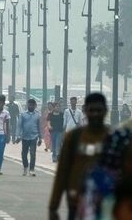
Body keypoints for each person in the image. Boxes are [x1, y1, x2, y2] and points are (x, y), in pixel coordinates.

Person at [49, 92, 109, 220]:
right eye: (91, 110)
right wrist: (53, 206)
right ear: (86, 111)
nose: (95, 114)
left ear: (105, 111)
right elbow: (62, 172)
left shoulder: (112, 137)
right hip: (76, 198)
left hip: (105, 201)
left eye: (99, 110)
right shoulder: (74, 138)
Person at [17, 98, 42, 176]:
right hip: (25, 137)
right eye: (29, 105)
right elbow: (19, 126)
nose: (30, 106)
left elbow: (39, 126)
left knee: (32, 153)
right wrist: (18, 136)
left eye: (32, 105)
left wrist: (40, 138)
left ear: (35, 106)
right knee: (24, 154)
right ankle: (25, 167)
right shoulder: (23, 114)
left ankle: (31, 169)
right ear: (27, 105)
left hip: (34, 137)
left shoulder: (38, 115)